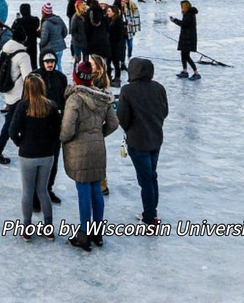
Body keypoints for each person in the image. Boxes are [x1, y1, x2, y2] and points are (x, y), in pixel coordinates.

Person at [61, 60, 118, 250]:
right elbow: (113, 123)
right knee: (96, 189)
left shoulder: (75, 99)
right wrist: (98, 135)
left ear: (76, 77)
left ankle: (84, 234)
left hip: (79, 149)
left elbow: (67, 129)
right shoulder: (103, 97)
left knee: (84, 191)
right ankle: (98, 233)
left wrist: (62, 138)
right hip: (98, 148)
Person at [8, 74, 61, 241]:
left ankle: (27, 228)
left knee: (28, 192)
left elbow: (12, 131)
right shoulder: (51, 106)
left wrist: (21, 143)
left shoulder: (23, 106)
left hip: (28, 155)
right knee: (43, 191)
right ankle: (48, 227)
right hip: (46, 154)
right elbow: (56, 131)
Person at [117, 58, 168, 227]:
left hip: (138, 142)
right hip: (156, 138)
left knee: (145, 179)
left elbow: (122, 118)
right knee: (152, 176)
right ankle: (151, 211)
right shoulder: (159, 88)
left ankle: (150, 219)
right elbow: (164, 111)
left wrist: (130, 129)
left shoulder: (127, 90)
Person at [0, 32, 31, 165]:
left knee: (13, 120)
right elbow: (28, 78)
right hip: (19, 94)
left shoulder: (5, 49)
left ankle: (0, 149)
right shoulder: (22, 56)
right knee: (11, 123)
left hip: (8, 91)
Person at [35, 53, 68, 206]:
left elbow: (64, 100)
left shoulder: (60, 78)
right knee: (38, 161)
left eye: (52, 61)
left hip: (55, 126)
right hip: (39, 126)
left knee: (53, 161)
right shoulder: (35, 77)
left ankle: (48, 188)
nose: (50, 64)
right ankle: (35, 194)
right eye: (47, 61)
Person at [170, 0, 200, 80]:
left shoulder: (189, 15)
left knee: (186, 56)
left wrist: (174, 20)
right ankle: (185, 71)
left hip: (188, 38)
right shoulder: (189, 14)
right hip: (186, 37)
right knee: (183, 55)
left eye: (182, 6)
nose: (181, 8)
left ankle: (196, 72)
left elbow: (184, 24)